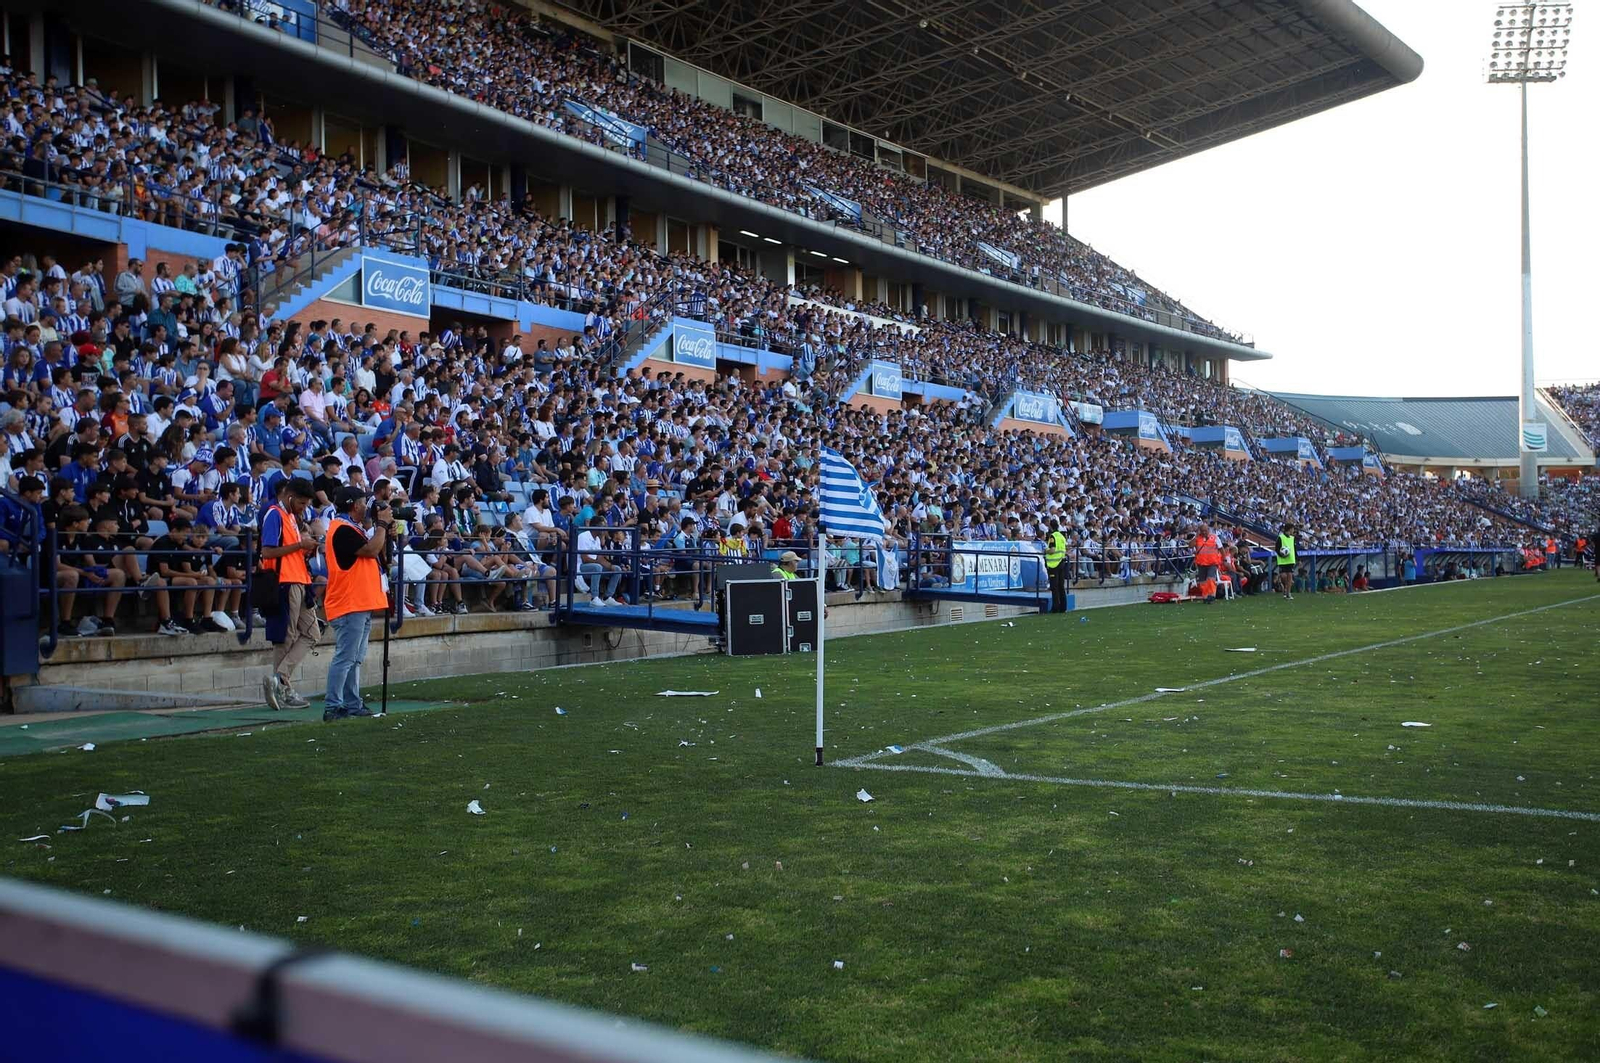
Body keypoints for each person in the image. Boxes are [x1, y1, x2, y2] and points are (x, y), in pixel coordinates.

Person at [321, 487, 390, 721]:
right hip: (349, 603)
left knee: (355, 658)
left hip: (360, 602)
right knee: (346, 657)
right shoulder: (341, 529)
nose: (366, 506)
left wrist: (382, 528)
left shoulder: (351, 528)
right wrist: (382, 525)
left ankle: (352, 703)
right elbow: (371, 550)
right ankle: (333, 706)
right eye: (363, 502)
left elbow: (380, 553)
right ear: (354, 505)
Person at [258, 478, 320, 709]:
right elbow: (267, 551)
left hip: (300, 580)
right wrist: (300, 546)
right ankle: (284, 687)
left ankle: (279, 678)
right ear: (291, 497)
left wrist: (305, 549)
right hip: (285, 581)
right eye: (302, 504)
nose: (304, 508)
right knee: (287, 635)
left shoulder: (291, 517)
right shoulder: (275, 514)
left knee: (312, 633)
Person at [1191, 522, 1222, 603]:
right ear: (1200, 531)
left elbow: (1221, 548)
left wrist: (1223, 559)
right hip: (1201, 563)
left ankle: (1212, 596)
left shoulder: (1215, 537)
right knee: (1202, 582)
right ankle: (1205, 597)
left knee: (1210, 579)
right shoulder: (1197, 538)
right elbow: (1190, 545)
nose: (1204, 532)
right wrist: (1196, 536)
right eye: (1202, 531)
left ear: (1208, 530)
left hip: (1212, 562)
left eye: (1205, 530)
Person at [1043, 518, 1068, 613]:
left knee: (1054, 587)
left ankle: (1055, 607)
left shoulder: (1052, 536)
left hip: (1054, 564)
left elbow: (1052, 550)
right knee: (1061, 586)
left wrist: (1045, 551)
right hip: (1061, 561)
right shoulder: (1061, 536)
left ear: (1050, 526)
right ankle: (1063, 607)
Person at [1275, 522, 1297, 600]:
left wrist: (1297, 558)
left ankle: (1288, 593)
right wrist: (1282, 555)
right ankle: (1285, 588)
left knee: (1290, 577)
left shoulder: (1292, 538)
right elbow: (1277, 549)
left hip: (1291, 560)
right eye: (1293, 529)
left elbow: (1294, 549)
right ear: (1290, 529)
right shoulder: (1280, 537)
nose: (1293, 530)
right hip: (1282, 560)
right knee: (1283, 576)